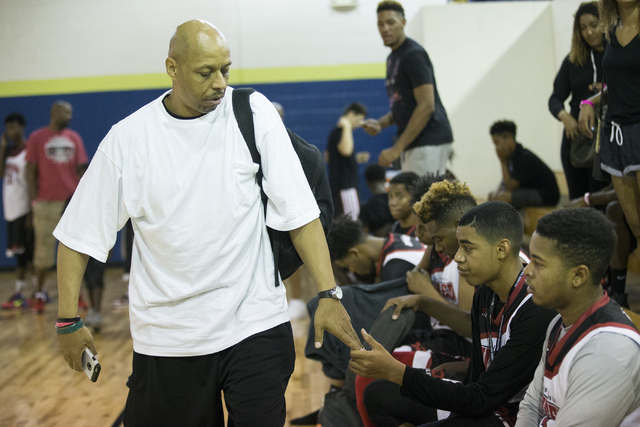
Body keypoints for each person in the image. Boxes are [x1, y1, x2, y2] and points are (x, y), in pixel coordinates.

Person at [52, 20, 360, 427]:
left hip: (256, 324)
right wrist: (68, 321)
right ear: (172, 68)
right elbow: (78, 237)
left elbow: (300, 213)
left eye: (225, 70)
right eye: (205, 72)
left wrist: (329, 294)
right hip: (168, 338)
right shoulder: (127, 140)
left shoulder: (252, 112)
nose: (220, 82)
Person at [350, 201, 556, 426]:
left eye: (467, 248)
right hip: (482, 403)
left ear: (502, 249)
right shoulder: (485, 293)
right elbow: (475, 379)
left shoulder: (535, 309)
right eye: (458, 246)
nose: (457, 256)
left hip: (510, 417)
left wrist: (397, 372)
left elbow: (481, 399)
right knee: (377, 394)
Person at [517, 208, 640, 426]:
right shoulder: (559, 321)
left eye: (539, 263)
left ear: (578, 275)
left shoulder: (608, 353)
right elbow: (530, 406)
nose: (527, 271)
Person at [578, 0, 640, 277]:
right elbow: (613, 87)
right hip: (617, 135)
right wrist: (588, 103)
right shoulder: (611, 30)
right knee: (636, 225)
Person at [362, 1, 454, 176]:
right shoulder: (392, 58)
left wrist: (397, 149)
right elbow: (404, 105)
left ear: (403, 22)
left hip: (428, 140)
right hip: (415, 142)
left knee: (423, 201)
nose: (385, 29)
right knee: (415, 200)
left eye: (391, 22)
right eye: (380, 24)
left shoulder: (413, 55)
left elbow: (426, 106)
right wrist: (380, 124)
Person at [25, 101, 88, 314]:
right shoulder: (37, 137)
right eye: (66, 112)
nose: (69, 116)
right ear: (54, 112)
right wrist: (34, 201)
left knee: (74, 250)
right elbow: (29, 171)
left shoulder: (74, 138)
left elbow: (81, 169)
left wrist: (82, 197)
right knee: (43, 253)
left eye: (71, 113)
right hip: (46, 204)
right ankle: (39, 293)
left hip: (71, 202)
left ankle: (75, 296)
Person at [549, 1, 609, 200]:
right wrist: (564, 116)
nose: (589, 32)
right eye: (582, 28)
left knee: (602, 200)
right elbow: (555, 98)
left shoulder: (615, 54)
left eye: (594, 25)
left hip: (608, 137)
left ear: (605, 22)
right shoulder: (574, 60)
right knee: (578, 199)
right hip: (577, 142)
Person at [329, 215, 425, 284]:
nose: (352, 271)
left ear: (354, 253)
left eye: (348, 266)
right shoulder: (396, 237)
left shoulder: (394, 267)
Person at [1, 113, 33, 310]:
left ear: (22, 127)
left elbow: (31, 183)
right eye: (8, 128)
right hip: (10, 210)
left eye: (13, 127)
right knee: (19, 255)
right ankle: (25, 292)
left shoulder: (28, 151)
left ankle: (29, 292)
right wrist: (2, 147)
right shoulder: (10, 152)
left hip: (23, 209)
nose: (10, 132)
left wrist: (31, 212)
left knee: (27, 256)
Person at [488, 120, 560, 210]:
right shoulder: (512, 157)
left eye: (497, 143)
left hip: (546, 195)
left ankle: (504, 223)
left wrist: (502, 161)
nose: (496, 148)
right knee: (492, 195)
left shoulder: (524, 157)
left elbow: (509, 187)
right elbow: (503, 183)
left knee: (503, 197)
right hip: (528, 191)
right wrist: (495, 192)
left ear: (508, 138)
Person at [327, 102, 371, 220]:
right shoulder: (341, 131)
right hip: (345, 188)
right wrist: (346, 126)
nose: (359, 124)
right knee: (352, 223)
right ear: (351, 114)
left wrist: (355, 158)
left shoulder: (336, 133)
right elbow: (346, 150)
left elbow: (331, 157)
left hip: (340, 188)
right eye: (359, 119)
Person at [360, 164, 394, 237]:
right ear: (385, 180)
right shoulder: (396, 202)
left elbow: (363, 236)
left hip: (381, 245)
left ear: (367, 183)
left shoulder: (365, 208)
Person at [389, 171, 419, 236]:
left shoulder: (423, 234)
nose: (392, 203)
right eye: (390, 196)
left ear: (414, 198)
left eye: (400, 197)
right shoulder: (395, 227)